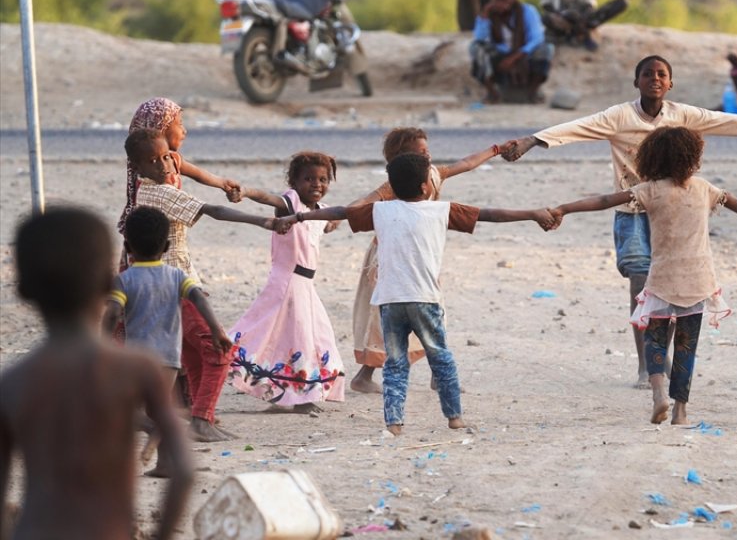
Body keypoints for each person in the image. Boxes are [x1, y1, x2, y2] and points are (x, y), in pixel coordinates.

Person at [500, 55, 737, 388]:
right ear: (637, 82)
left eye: (662, 74)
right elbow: (577, 128)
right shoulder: (618, 116)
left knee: (670, 288)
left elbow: (726, 121)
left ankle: (659, 357)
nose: (655, 79)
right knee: (640, 280)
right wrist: (532, 141)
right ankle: (646, 365)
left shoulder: (683, 115)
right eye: (647, 74)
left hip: (672, 213)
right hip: (631, 211)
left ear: (670, 83)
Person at [277, 153, 556, 436]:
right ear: (426, 187)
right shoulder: (441, 210)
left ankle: (394, 423)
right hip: (425, 299)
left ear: (393, 188)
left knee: (395, 365)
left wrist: (300, 215)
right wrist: (532, 214)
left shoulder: (379, 211)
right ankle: (454, 418)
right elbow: (492, 214)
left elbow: (339, 212)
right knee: (441, 358)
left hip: (389, 300)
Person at [549, 126, 737, 425]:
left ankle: (658, 391)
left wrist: (563, 209)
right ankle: (680, 410)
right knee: (687, 345)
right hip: (698, 280)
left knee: (656, 339)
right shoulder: (704, 188)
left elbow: (603, 201)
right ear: (693, 157)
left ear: (651, 159)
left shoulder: (648, 191)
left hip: (662, 278)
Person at [1, 208, 192, 540]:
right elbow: (185, 471)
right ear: (107, 281)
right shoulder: (136, 369)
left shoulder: (13, 383)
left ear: (24, 290)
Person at [126, 128, 279, 441]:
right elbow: (212, 210)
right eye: (154, 161)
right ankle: (201, 420)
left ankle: (199, 415)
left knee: (194, 357)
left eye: (167, 157)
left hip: (164, 289)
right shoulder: (163, 193)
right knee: (218, 350)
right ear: (138, 168)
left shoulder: (146, 188)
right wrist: (263, 221)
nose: (165, 165)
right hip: (176, 286)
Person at [347, 128, 503, 393]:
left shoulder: (432, 174)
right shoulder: (393, 187)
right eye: (421, 152)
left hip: (421, 258)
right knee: (390, 318)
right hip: (390, 262)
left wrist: (495, 150)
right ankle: (365, 375)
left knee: (431, 312)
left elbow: (465, 164)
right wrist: (341, 215)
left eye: (427, 150)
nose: (427, 155)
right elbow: (363, 202)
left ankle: (434, 374)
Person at [102, 207, 226, 470]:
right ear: (167, 245)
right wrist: (216, 329)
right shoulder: (177, 276)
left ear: (127, 246)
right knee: (158, 407)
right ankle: (166, 464)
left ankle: (151, 429)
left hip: (137, 359)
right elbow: (198, 300)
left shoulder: (124, 280)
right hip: (170, 358)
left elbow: (112, 313)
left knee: (125, 410)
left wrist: (101, 344)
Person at [229, 152, 347, 412]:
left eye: (323, 179)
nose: (317, 184)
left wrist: (332, 223)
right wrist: (247, 191)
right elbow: (266, 197)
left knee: (310, 337)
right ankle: (302, 398)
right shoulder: (289, 204)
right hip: (287, 283)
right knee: (298, 337)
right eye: (309, 179)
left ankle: (284, 392)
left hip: (305, 287)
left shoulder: (318, 212)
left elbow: (327, 224)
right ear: (294, 182)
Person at [117, 97, 242, 238]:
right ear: (161, 129)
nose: (184, 131)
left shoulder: (173, 159)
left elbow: (199, 174)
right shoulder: (147, 174)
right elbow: (212, 210)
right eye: (179, 124)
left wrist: (224, 183)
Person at [470, 0, 555, 103]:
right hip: (500, 53)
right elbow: (480, 38)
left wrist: (514, 58)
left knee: (547, 49)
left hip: (523, 53)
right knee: (475, 48)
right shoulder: (489, 13)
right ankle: (492, 94)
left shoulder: (527, 11)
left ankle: (532, 93)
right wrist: (486, 13)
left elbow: (537, 39)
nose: (507, 1)